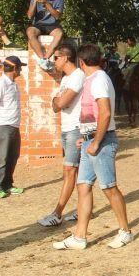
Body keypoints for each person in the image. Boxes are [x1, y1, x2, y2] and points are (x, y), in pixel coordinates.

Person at [53, 44, 132, 250]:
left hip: (101, 141)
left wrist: (95, 141)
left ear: (81, 61)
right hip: (91, 139)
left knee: (109, 187)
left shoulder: (98, 81)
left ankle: (125, 231)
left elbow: (104, 113)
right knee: (83, 185)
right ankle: (80, 236)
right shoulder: (94, 79)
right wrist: (87, 137)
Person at [38, 43, 85, 226]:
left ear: (65, 58)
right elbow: (57, 105)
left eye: (56, 57)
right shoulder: (66, 79)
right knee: (78, 171)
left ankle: (57, 213)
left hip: (75, 129)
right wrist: (57, 102)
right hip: (67, 129)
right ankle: (83, 209)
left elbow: (61, 102)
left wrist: (57, 101)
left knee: (70, 170)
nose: (54, 61)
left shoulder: (77, 77)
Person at [0, 56, 24, 198]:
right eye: (19, 67)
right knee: (1, 158)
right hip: (2, 125)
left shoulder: (13, 84)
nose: (21, 70)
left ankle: (8, 184)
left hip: (13, 125)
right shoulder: (0, 84)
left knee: (12, 157)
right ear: (14, 68)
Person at [26, 0, 65, 71]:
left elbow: (57, 16)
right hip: (38, 24)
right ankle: (42, 59)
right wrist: (35, 1)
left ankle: (46, 58)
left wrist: (46, 3)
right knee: (30, 32)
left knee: (59, 34)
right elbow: (29, 16)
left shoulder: (59, 0)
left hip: (52, 24)